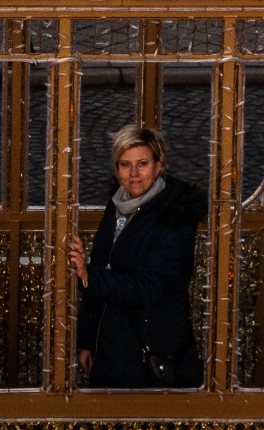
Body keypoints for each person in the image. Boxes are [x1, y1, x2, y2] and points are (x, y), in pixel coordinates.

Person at [68, 124, 206, 388]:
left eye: (142, 164)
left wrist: (90, 276)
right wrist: (87, 341)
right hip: (109, 347)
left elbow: (149, 287)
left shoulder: (175, 217)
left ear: (159, 165)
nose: (133, 175)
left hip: (148, 353)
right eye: (124, 164)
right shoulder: (117, 203)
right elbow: (99, 268)